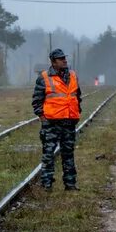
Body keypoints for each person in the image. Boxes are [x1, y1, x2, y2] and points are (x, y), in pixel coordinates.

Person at [31, 48, 81, 190]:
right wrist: (43, 118)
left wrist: (77, 114)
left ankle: (70, 184)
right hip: (51, 123)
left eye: (64, 58)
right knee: (48, 155)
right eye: (61, 59)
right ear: (53, 62)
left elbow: (77, 96)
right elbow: (36, 101)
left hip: (69, 122)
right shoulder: (44, 78)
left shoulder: (72, 76)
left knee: (68, 155)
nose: (64, 60)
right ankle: (46, 185)